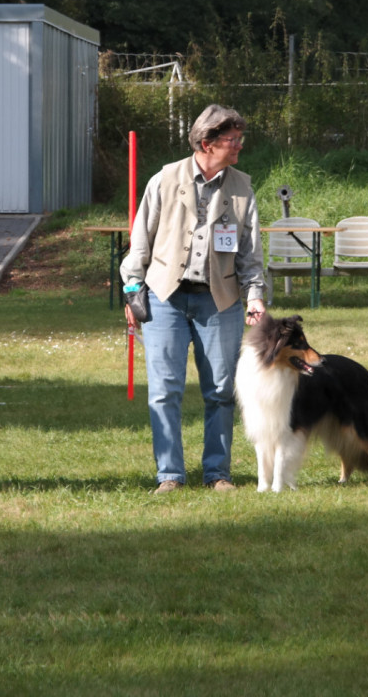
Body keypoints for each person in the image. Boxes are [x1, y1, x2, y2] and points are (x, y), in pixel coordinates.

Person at [120, 104, 267, 494]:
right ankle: (169, 475)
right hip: (164, 297)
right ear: (207, 143)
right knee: (164, 390)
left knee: (220, 391)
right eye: (232, 140)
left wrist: (255, 295)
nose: (239, 146)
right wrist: (133, 291)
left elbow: (249, 252)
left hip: (220, 302)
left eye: (240, 139)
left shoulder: (243, 187)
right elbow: (140, 242)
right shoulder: (164, 179)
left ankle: (217, 473)